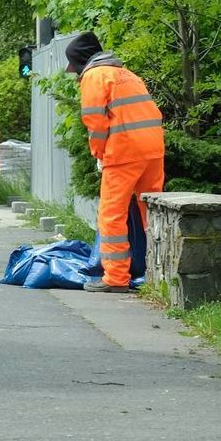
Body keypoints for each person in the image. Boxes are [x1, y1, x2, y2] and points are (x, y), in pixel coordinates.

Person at [65, 31, 165, 293]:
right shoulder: (126, 73)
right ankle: (160, 275)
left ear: (80, 61)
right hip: (153, 150)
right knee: (153, 214)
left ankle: (116, 279)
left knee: (112, 216)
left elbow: (96, 123)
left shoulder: (94, 76)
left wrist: (99, 155)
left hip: (123, 153)